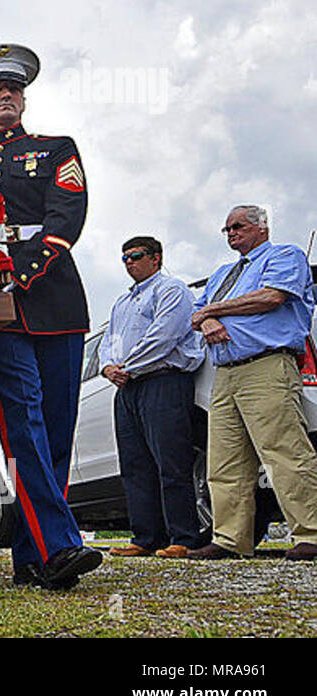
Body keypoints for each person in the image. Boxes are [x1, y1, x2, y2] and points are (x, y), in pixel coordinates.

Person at [0, 44, 102, 589]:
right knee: (24, 423)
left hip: (55, 299)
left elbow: (67, 214)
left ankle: (30, 556)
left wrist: (28, 267)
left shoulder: (56, 148)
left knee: (56, 430)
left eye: (13, 88)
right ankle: (60, 545)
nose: (6, 96)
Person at [186, 205, 317, 561]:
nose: (231, 233)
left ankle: (310, 532)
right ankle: (230, 538)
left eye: (237, 226)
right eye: (226, 229)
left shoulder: (283, 256)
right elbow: (196, 312)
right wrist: (207, 318)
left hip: (267, 366)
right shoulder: (222, 273)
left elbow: (272, 297)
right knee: (224, 460)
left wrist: (214, 311)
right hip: (225, 373)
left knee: (284, 450)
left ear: (261, 227)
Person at [99, 236, 205, 557]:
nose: (130, 262)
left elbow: (165, 335)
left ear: (155, 258)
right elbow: (108, 342)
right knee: (134, 464)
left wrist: (127, 366)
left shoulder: (171, 290)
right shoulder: (122, 302)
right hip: (127, 388)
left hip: (163, 381)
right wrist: (107, 369)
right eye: (125, 258)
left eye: (136, 255)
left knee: (171, 460)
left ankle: (184, 537)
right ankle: (145, 537)